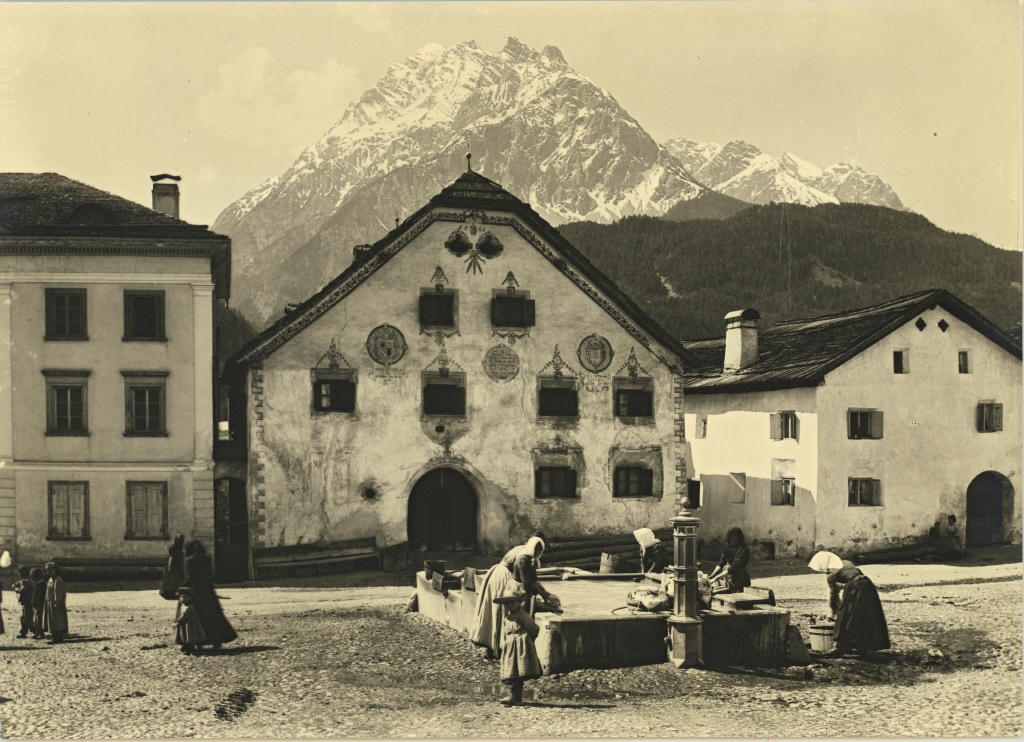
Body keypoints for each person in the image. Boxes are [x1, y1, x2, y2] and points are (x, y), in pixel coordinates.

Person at [470, 532, 560, 659]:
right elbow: (527, 582)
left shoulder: (525, 551)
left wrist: (546, 595)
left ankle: (492, 645)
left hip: (497, 573)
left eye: (540, 549)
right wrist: (543, 597)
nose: (538, 551)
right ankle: (499, 646)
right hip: (502, 577)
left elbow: (532, 578)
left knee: (498, 611)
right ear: (533, 545)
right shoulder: (523, 557)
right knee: (502, 612)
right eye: (537, 548)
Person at [180, 540, 237, 652]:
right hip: (207, 591)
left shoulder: (189, 561)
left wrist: (181, 588)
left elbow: (190, 578)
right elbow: (210, 576)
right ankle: (217, 641)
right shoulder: (207, 559)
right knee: (213, 616)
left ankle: (199, 642)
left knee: (199, 618)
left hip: (196, 592)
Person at [827, 559, 891, 656]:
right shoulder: (847, 563)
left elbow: (833, 597)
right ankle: (865, 646)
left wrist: (834, 612)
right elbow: (856, 576)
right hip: (867, 584)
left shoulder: (831, 575)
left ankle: (840, 647)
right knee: (866, 614)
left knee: (845, 616)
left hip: (854, 586)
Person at [495, 577, 542, 706]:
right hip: (510, 649)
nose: (509, 605)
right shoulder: (508, 618)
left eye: (512, 602)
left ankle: (515, 696)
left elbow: (534, 629)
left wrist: (525, 639)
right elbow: (505, 633)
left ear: (519, 602)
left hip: (521, 648)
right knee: (511, 671)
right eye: (507, 603)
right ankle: (514, 696)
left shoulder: (523, 616)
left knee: (518, 672)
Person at [707, 527, 751, 593]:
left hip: (740, 579)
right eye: (731, 537)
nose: (733, 539)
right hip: (728, 578)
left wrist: (716, 578)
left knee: (737, 595)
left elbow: (733, 567)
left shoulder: (743, 549)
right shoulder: (728, 547)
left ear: (739, 538)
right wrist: (712, 575)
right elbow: (721, 563)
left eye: (735, 537)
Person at [174, 587, 208, 655]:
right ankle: (189, 647)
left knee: (191, 637)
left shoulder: (189, 608)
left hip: (191, 625)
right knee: (189, 637)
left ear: (190, 599)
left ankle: (191, 649)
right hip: (188, 624)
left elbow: (184, 616)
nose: (183, 599)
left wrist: (178, 621)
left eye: (185, 597)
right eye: (181, 598)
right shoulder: (186, 606)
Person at [42, 561, 68, 643]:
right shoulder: (50, 579)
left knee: (57, 620)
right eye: (47, 570)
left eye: (50, 570)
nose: (48, 572)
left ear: (55, 570)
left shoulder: (58, 580)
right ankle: (54, 636)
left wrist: (57, 602)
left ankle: (57, 637)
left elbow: (58, 592)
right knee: (51, 620)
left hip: (56, 603)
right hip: (49, 602)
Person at [13, 567, 35, 638]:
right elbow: (18, 584)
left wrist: (16, 589)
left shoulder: (26, 582)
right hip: (26, 602)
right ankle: (24, 632)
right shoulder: (27, 581)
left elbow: (22, 590)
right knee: (24, 617)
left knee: (26, 618)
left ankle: (35, 631)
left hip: (27, 602)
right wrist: (15, 585)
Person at [30, 567, 46, 639]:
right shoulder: (40, 583)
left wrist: (36, 603)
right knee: (36, 619)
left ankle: (40, 633)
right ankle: (37, 632)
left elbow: (39, 596)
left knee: (39, 619)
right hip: (37, 604)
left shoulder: (40, 584)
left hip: (39, 604)